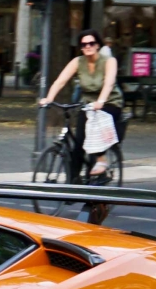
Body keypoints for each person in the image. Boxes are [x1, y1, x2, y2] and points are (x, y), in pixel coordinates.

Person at [39, 29, 122, 178]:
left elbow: (109, 84)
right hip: (88, 105)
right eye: (84, 44)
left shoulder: (109, 61)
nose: (87, 46)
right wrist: (49, 98)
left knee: (94, 131)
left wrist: (101, 101)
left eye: (91, 43)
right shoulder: (77, 62)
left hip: (110, 103)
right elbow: (60, 81)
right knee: (79, 144)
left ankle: (101, 162)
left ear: (98, 45)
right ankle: (73, 183)